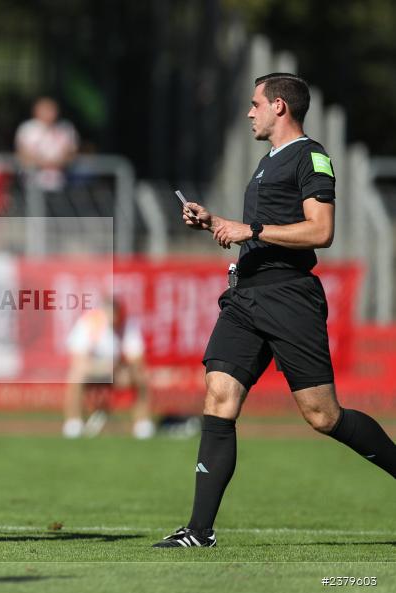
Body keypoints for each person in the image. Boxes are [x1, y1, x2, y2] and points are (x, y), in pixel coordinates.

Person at [154, 73, 396, 548]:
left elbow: (320, 231)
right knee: (219, 396)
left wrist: (250, 229)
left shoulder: (312, 156)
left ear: (280, 107)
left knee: (323, 416)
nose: (249, 112)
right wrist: (216, 224)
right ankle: (199, 532)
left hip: (289, 298)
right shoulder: (267, 162)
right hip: (246, 298)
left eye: (255, 104)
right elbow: (255, 231)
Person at [63, 298, 153, 439]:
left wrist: (118, 366)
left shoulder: (127, 325)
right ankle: (74, 423)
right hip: (94, 371)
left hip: (118, 371)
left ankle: (142, 425)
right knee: (76, 375)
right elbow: (79, 359)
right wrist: (103, 367)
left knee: (140, 376)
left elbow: (136, 359)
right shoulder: (90, 323)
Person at [14, 96, 78, 215]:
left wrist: (54, 162)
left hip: (59, 184)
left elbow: (70, 154)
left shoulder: (66, 128)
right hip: (33, 184)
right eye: (46, 110)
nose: (50, 114)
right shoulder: (27, 129)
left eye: (52, 110)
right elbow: (23, 155)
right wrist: (47, 163)